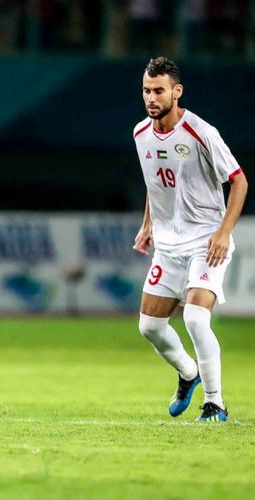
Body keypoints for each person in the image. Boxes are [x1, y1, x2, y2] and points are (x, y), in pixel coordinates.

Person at [132, 57, 247, 422]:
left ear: (176, 92)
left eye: (159, 91)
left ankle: (215, 403)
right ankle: (188, 372)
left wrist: (224, 231)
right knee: (149, 326)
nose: (151, 98)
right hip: (168, 246)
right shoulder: (140, 134)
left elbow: (239, 181)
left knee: (196, 319)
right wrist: (147, 223)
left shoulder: (201, 132)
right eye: (147, 91)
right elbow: (155, 183)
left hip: (205, 241)